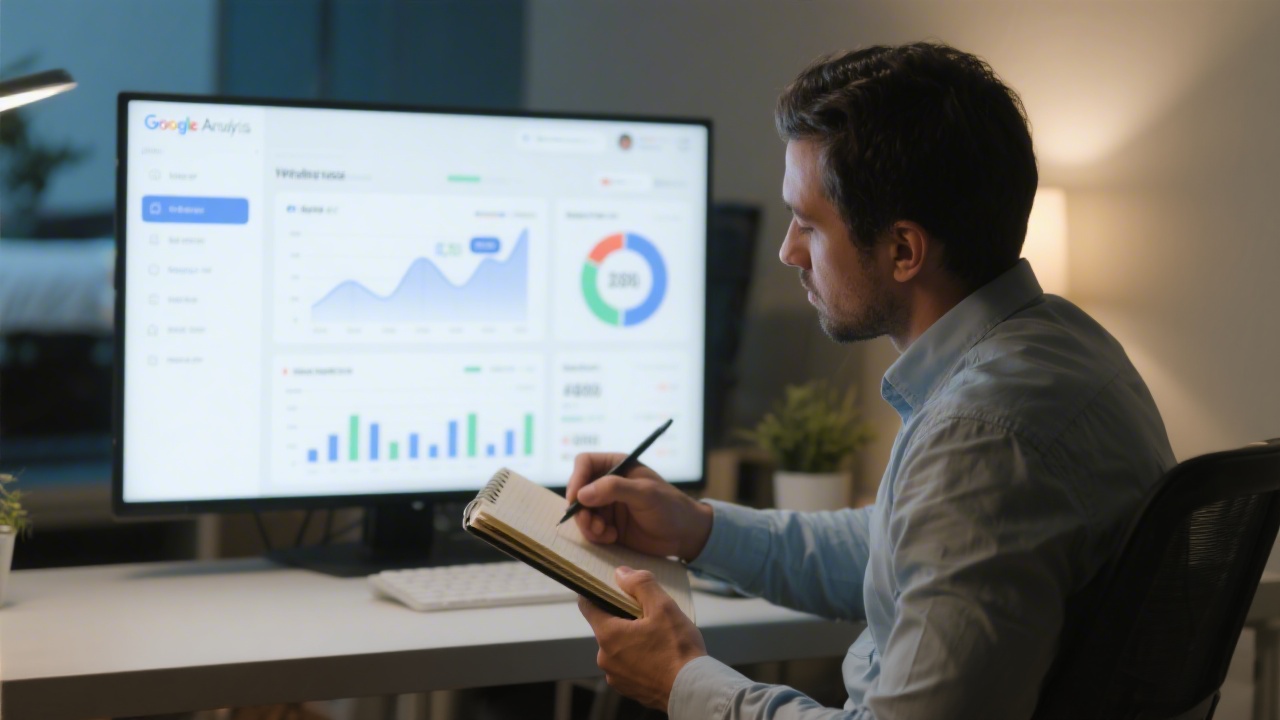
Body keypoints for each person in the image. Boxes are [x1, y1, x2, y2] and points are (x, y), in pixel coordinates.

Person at [568, 42, 1176, 719]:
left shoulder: (981, 439)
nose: (787, 251)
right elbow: (896, 546)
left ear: (904, 250)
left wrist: (682, 681)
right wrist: (697, 529)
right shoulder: (1069, 348)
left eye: (807, 224)